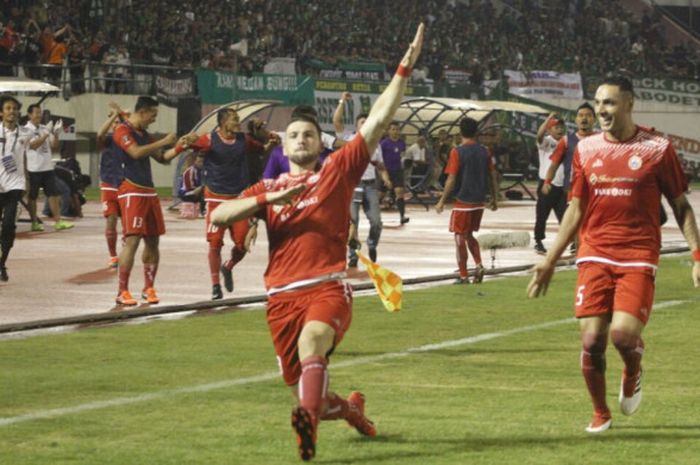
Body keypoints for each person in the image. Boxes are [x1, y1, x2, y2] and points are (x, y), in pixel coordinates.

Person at [210, 23, 424, 461]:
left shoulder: (337, 171)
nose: (301, 140)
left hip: (327, 287)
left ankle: (308, 434)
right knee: (313, 396)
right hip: (279, 300)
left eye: (308, 134)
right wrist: (271, 197)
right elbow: (217, 214)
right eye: (294, 136)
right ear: (283, 145)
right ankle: (350, 412)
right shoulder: (265, 189)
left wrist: (404, 67)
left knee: (313, 346)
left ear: (317, 142)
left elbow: (380, 118)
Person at [527, 76, 700, 434]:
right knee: (591, 341)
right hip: (594, 253)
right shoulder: (586, 149)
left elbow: (681, 206)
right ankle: (600, 412)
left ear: (630, 104)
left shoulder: (656, 147)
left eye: (609, 103)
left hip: (638, 254)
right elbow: (575, 208)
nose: (602, 110)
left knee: (621, 336)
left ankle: (633, 369)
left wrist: (697, 255)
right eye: (598, 103)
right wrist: (549, 259)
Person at [175, 108, 275, 300]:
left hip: (238, 200)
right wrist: (185, 141)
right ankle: (215, 286)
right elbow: (188, 144)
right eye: (234, 119)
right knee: (214, 243)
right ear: (223, 123)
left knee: (243, 244)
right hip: (215, 199)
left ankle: (227, 266)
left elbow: (262, 150)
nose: (238, 122)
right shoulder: (210, 140)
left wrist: (270, 144)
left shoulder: (243, 140)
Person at [112, 96, 184, 306]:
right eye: (153, 115)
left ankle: (148, 287)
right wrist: (163, 141)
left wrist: (180, 147)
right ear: (142, 112)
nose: (154, 119)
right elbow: (134, 153)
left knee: (153, 240)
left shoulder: (144, 134)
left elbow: (162, 157)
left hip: (148, 192)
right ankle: (122, 291)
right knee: (132, 240)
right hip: (130, 190)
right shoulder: (122, 131)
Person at [435, 116, 498, 284]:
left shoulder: (457, 152)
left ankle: (463, 275)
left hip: (463, 201)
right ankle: (478, 264)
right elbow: (492, 175)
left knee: (459, 237)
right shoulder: (485, 151)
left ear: (460, 131)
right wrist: (494, 198)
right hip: (479, 201)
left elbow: (451, 179)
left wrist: (442, 200)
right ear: (476, 131)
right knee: (469, 235)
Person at [333, 95, 391, 267]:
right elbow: (336, 121)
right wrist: (342, 101)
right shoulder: (349, 140)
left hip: (370, 186)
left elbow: (380, 166)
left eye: (367, 121)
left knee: (376, 221)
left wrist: (386, 179)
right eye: (361, 122)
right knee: (353, 223)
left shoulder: (375, 144)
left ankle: (372, 243)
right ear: (356, 127)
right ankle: (353, 257)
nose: (365, 124)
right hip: (352, 186)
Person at [24, 104, 74, 232]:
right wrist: (46, 133)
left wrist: (56, 134)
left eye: (40, 113)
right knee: (33, 196)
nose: (39, 116)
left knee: (53, 194)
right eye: (36, 113)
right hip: (33, 168)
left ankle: (58, 221)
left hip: (47, 167)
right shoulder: (26, 130)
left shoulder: (43, 128)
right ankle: (34, 222)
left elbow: (54, 145)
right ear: (30, 115)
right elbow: (33, 145)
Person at [0, 96, 32, 282]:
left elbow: (33, 148)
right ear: (1, 112)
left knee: (8, 227)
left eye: (14, 108)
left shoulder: (25, 133)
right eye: (8, 108)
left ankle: (2, 263)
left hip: (15, 185)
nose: (12, 111)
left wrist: (52, 135)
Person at [97, 103, 126, 267]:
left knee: (127, 223)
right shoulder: (107, 140)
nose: (115, 125)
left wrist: (121, 115)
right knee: (111, 219)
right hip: (109, 183)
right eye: (113, 123)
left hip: (124, 184)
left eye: (118, 123)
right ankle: (113, 255)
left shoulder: (128, 140)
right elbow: (100, 133)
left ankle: (125, 247)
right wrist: (115, 115)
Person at [533, 113, 566, 255]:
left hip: (562, 185)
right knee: (542, 215)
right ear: (549, 129)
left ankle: (570, 242)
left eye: (561, 127)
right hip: (547, 185)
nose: (560, 130)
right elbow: (539, 135)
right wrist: (547, 120)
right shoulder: (546, 141)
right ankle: (538, 241)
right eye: (556, 127)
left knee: (565, 216)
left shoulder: (566, 142)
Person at [380, 121, 410, 225]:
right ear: (388, 131)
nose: (395, 131)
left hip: (397, 171)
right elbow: (380, 158)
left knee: (400, 192)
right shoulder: (384, 143)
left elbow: (403, 155)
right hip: (385, 171)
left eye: (397, 129)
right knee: (380, 195)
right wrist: (383, 173)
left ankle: (402, 216)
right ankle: (375, 216)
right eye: (393, 129)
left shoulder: (402, 143)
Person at [177, 152, 205, 216]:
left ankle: (205, 210)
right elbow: (190, 188)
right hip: (186, 193)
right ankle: (203, 211)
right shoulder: (190, 172)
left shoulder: (205, 171)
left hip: (198, 191)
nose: (201, 164)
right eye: (199, 161)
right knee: (204, 191)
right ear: (195, 161)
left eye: (203, 162)